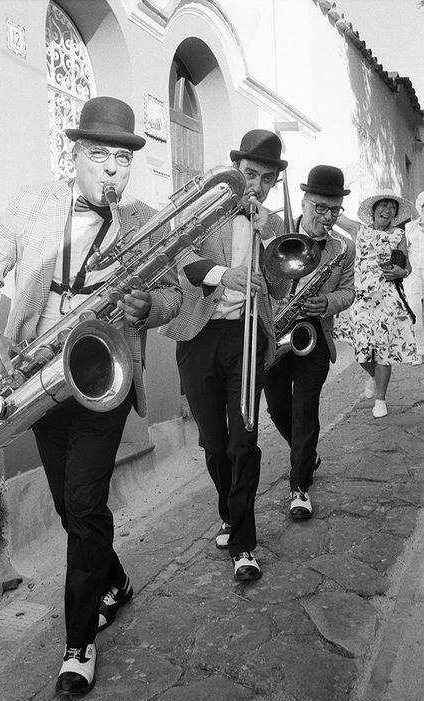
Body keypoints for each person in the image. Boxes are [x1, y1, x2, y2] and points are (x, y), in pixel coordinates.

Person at [0, 97, 182, 696]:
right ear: (75, 155)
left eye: (122, 158)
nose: (112, 169)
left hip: (102, 379)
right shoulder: (31, 203)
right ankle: (114, 582)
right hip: (40, 374)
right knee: (70, 506)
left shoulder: (141, 223)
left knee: (84, 504)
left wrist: (152, 306)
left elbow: (173, 297)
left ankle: (78, 643)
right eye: (99, 155)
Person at [161, 129, 288, 582]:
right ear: (237, 169)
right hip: (198, 336)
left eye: (267, 179)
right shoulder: (203, 206)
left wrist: (263, 242)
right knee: (214, 444)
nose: (256, 185)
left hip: (246, 337)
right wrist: (225, 274)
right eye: (251, 174)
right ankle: (229, 513)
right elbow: (182, 259)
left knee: (244, 441)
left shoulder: (271, 223)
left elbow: (280, 283)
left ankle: (244, 544)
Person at [263, 165, 355, 519]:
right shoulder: (274, 229)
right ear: (305, 201)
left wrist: (327, 302)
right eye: (320, 208)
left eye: (335, 210)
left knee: (305, 408)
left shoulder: (341, 249)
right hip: (275, 331)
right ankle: (307, 452)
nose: (328, 217)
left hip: (312, 334)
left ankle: (299, 486)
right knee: (277, 409)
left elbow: (348, 291)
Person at [336, 189, 417, 418]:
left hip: (387, 299)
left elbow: (407, 267)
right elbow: (336, 216)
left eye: (392, 207)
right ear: (373, 210)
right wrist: (339, 190)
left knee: (383, 351)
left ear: (395, 213)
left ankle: (380, 399)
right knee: (361, 350)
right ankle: (372, 375)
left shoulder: (398, 235)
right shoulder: (358, 230)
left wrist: (400, 272)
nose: (387, 210)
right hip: (361, 300)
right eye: (383, 205)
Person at [404, 190, 424, 363]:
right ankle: (419, 350)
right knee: (415, 310)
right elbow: (403, 250)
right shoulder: (410, 227)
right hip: (414, 274)